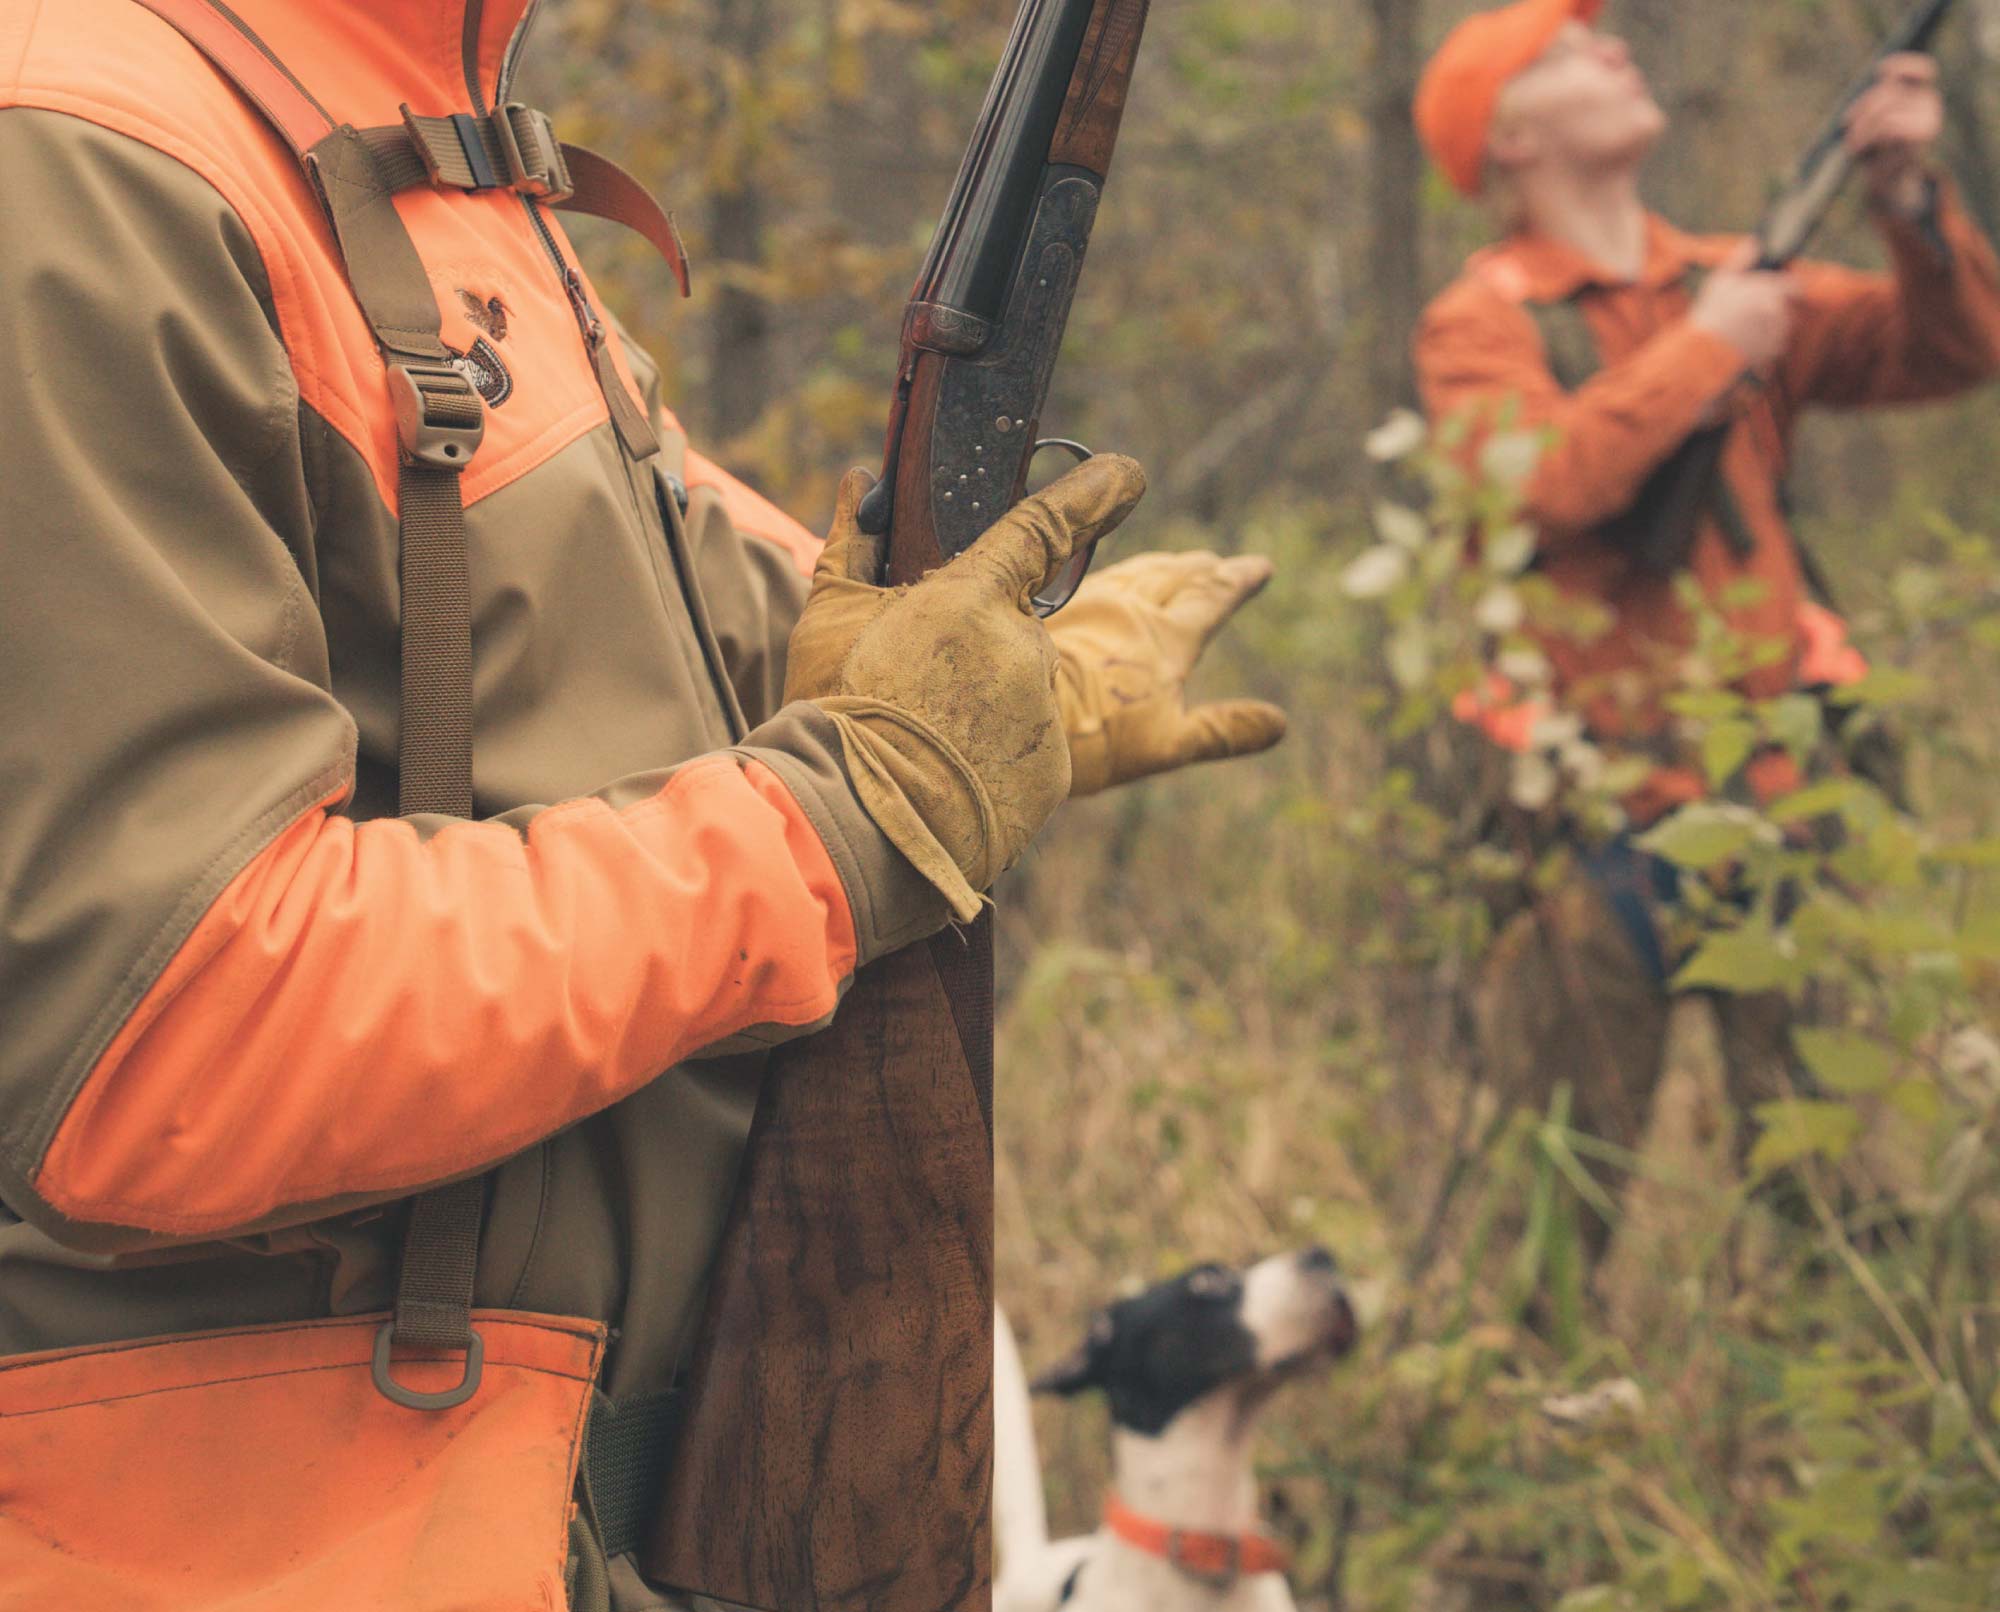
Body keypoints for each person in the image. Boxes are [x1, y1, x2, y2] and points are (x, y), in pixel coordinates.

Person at [0, 2, 1286, 1607]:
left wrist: (1022, 703)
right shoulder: (78, 151)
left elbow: (663, 637)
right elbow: (167, 1039)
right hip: (268, 1548)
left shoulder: (422, 133)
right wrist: (844, 820)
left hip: (547, 1527)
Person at [1409, 0, 2000, 1154]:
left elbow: (1952, 347)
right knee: (1553, 1197)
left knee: (1843, 1186)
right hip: (1586, 819)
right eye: (1572, 51)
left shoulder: (1731, 275)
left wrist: (1901, 195)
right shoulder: (1477, 321)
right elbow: (1538, 483)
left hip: (1782, 792)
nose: (1617, 47)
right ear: (1507, 137)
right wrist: (1711, 349)